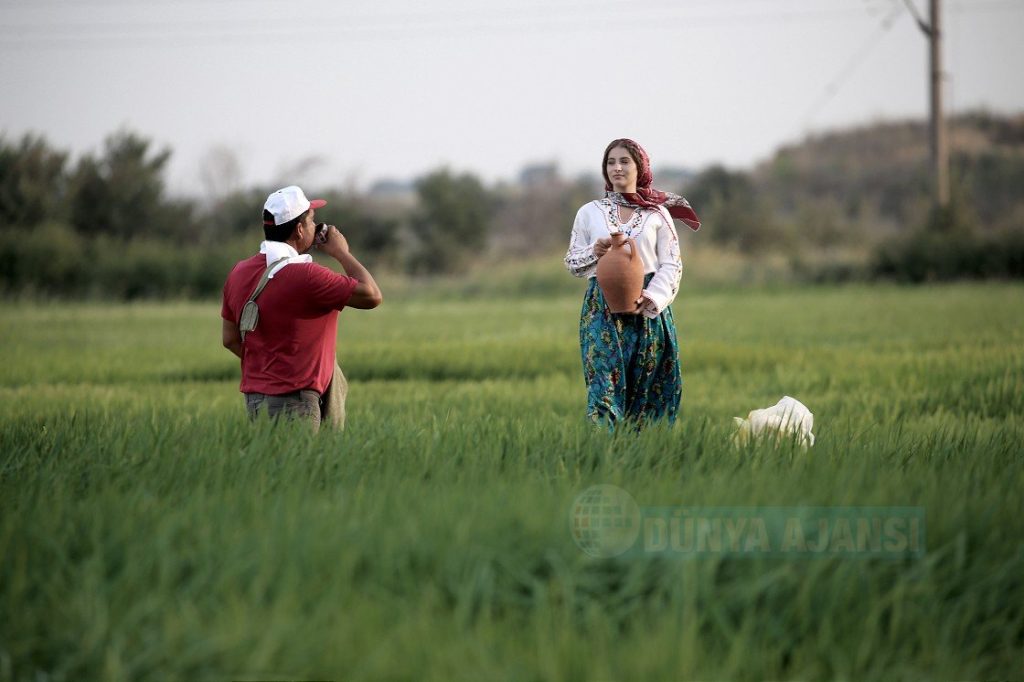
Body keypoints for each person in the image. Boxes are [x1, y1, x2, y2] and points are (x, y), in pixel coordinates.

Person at [564, 139, 700, 428]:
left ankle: (644, 456)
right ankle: (603, 454)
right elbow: (573, 263)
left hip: (648, 310)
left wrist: (651, 299)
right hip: (601, 309)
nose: (617, 168)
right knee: (603, 386)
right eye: (610, 162)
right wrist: (595, 252)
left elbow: (672, 263)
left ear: (640, 168)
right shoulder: (589, 212)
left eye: (624, 161)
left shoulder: (657, 213)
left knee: (647, 390)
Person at [221, 185, 382, 430]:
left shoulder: (239, 272)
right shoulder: (307, 275)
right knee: (300, 467)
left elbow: (230, 339)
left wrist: (270, 365)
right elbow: (371, 295)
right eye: (311, 222)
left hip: (255, 400)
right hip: (295, 403)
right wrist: (341, 253)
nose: (314, 227)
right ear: (299, 229)